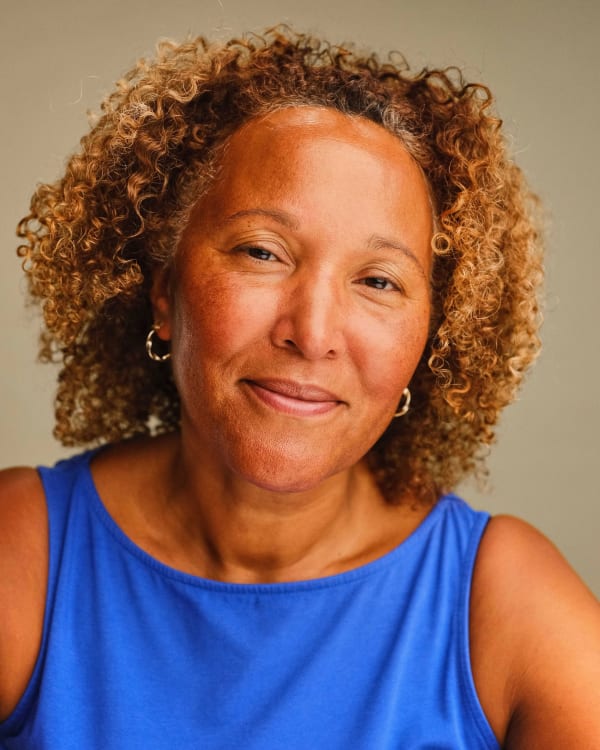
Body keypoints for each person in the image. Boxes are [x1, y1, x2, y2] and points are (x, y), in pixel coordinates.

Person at [0, 28, 598, 749]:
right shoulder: (23, 554)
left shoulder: (503, 606)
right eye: (262, 252)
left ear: (432, 340)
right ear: (164, 291)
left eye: (379, 281)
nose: (313, 334)